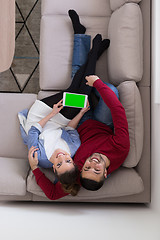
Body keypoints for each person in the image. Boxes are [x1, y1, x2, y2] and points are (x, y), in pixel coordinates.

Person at [19, 10, 110, 197]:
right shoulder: (74, 148)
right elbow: (69, 128)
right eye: (67, 160)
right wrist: (82, 112)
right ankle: (93, 53)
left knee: (78, 89)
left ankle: (94, 52)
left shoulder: (41, 158)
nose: (62, 157)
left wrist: (52, 113)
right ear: (73, 161)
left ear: (53, 168)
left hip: (42, 116)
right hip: (61, 120)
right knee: (79, 95)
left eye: (59, 164)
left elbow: (34, 131)